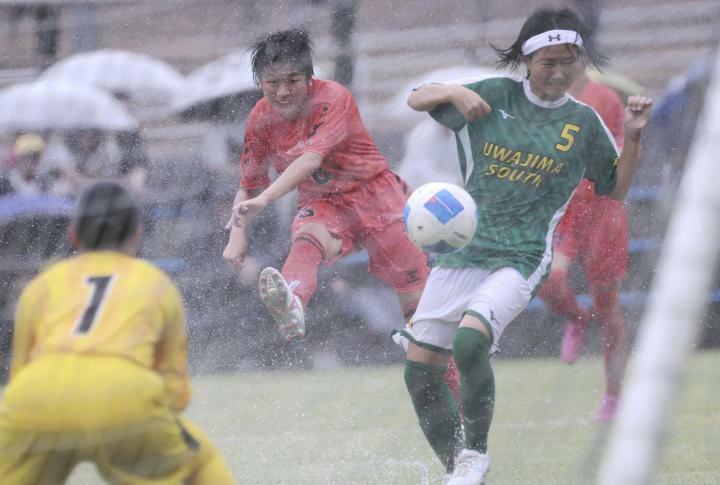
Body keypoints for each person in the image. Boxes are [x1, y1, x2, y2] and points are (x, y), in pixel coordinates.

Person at [399, 8, 652, 484]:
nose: (558, 72)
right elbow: (417, 98)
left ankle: (475, 455)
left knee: (471, 340)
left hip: (522, 255)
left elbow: (615, 188)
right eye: (547, 62)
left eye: (569, 61)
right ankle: (458, 469)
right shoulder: (492, 96)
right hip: (464, 251)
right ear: (526, 58)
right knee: (419, 373)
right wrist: (455, 90)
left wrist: (635, 137)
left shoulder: (584, 122)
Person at [0, 181, 234, 484]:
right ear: (136, 237)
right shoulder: (156, 282)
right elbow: (176, 390)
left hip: (37, 396)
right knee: (202, 462)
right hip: (125, 395)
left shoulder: (42, 284)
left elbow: (19, 372)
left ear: (73, 236)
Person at [223, 29, 429, 341]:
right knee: (306, 237)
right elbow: (249, 184)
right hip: (323, 204)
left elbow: (309, 160)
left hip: (378, 198)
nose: (282, 92)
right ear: (260, 83)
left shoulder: (333, 97)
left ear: (309, 77)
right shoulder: (260, 118)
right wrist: (237, 236)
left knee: (420, 319)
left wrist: (265, 199)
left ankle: (439, 357)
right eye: (272, 83)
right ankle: (292, 301)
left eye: (292, 80)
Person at [538, 68, 630, 421]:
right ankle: (576, 316)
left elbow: (617, 155)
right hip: (563, 207)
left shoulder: (603, 99)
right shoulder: (541, 99)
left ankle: (613, 396)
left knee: (609, 308)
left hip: (602, 212)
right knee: (548, 280)